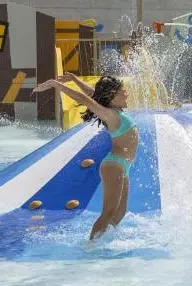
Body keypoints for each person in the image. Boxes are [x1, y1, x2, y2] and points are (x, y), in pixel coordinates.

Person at [33, 73, 137, 240]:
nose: (126, 93)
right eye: (122, 91)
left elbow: (92, 95)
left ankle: (105, 240)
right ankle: (91, 247)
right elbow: (85, 100)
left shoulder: (115, 110)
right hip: (114, 166)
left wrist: (75, 80)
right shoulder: (110, 114)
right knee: (108, 212)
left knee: (119, 213)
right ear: (112, 96)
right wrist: (56, 84)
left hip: (123, 166)